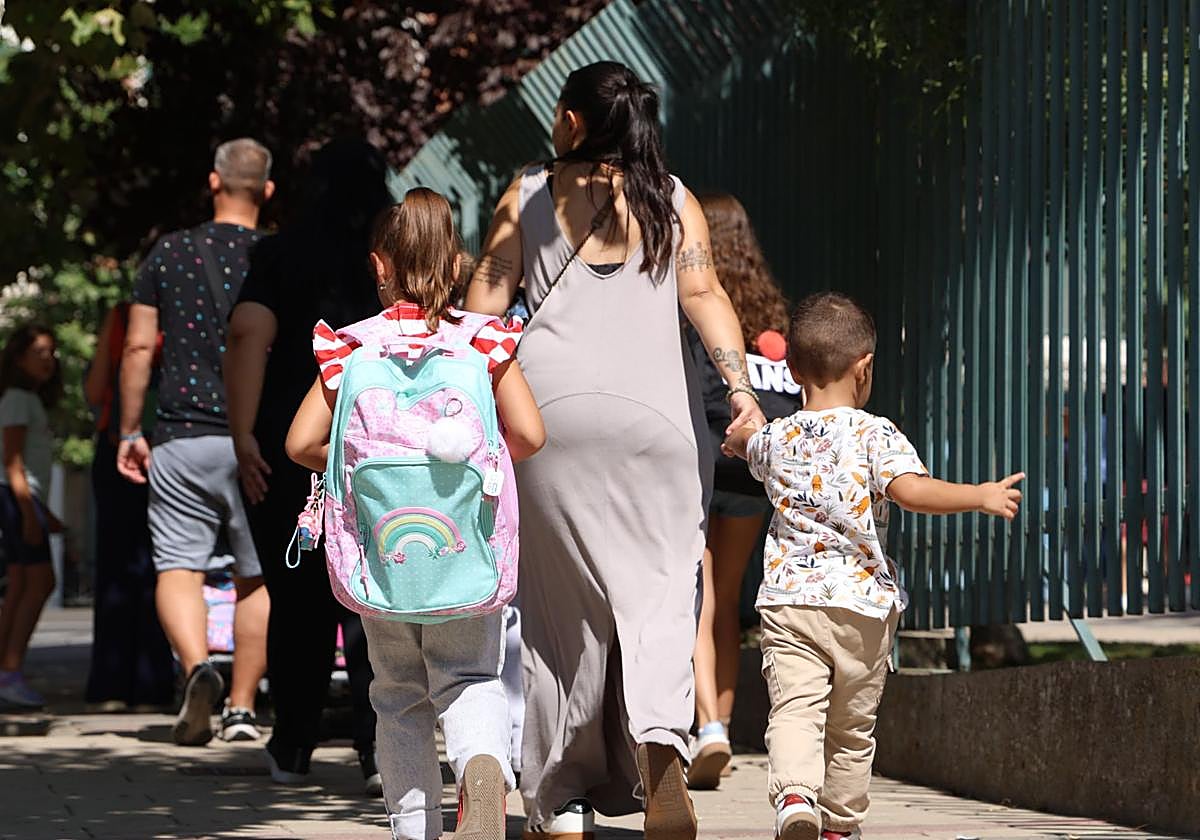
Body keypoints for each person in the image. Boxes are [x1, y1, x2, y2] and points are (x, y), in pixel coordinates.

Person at [465, 60, 764, 840]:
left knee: (564, 615)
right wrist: (739, 391)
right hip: (658, 426)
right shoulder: (673, 200)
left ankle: (561, 795)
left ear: (570, 122)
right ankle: (662, 736)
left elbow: (485, 307)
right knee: (662, 594)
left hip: (552, 421)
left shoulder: (526, 195)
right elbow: (705, 296)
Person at [286, 187, 544, 840]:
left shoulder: (348, 349)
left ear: (379, 267)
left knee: (397, 695)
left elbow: (300, 444)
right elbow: (532, 435)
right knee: (470, 677)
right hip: (467, 550)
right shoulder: (484, 343)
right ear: (456, 267)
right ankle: (482, 771)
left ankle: (413, 831)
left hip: (383, 554)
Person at [722, 292, 1024, 840]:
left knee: (795, 710)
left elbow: (748, 444)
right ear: (864, 368)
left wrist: (740, 436)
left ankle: (794, 795)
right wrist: (978, 495)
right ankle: (839, 825)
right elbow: (911, 491)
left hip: (790, 603)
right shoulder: (875, 434)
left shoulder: (778, 436)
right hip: (862, 608)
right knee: (852, 727)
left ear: (790, 370)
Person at [224, 139, 390, 792]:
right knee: (376, 595)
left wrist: (243, 437)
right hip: (382, 441)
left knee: (297, 597)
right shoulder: (392, 252)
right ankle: (380, 749)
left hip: (289, 444)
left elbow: (247, 335)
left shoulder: (277, 253)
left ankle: (293, 743)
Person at [116, 138, 273, 746]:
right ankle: (241, 708)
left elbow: (136, 348)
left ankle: (196, 667)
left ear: (214, 181)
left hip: (180, 434)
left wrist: (132, 429)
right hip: (255, 440)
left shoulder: (169, 254)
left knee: (178, 566)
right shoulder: (278, 256)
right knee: (255, 575)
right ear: (267, 191)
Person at [687, 192, 803, 790]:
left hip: (704, 460)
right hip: (754, 471)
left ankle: (705, 726)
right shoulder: (767, 319)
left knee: (698, 599)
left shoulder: (697, 307)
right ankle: (725, 727)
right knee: (729, 599)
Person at [83, 303, 175, 711]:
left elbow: (94, 388)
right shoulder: (196, 306)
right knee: (170, 563)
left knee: (118, 567)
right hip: (175, 441)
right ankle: (154, 686)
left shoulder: (122, 315)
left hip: (120, 443)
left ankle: (111, 687)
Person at [0, 325, 64, 709]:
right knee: (40, 581)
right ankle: (9, 671)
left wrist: (43, 512)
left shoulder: (24, 398)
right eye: (39, 351)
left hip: (20, 497)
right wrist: (28, 511)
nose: (48, 359)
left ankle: (7, 670)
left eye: (51, 351)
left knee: (25, 583)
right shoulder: (19, 398)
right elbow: (12, 461)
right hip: (15, 496)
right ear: (18, 357)